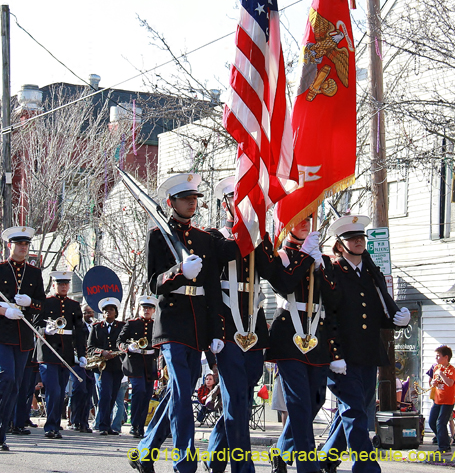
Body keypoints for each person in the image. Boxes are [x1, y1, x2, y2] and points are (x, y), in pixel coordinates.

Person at [129, 172, 222, 473]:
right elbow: (154, 283)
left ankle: (146, 450)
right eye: (185, 199)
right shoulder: (158, 236)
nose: (192, 203)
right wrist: (179, 271)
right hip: (171, 322)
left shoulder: (205, 239)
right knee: (182, 392)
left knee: (178, 393)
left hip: (197, 325)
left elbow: (212, 292)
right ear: (171, 203)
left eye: (195, 198)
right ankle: (185, 461)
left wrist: (215, 332)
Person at [318, 215, 410, 473]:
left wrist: (396, 319)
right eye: (351, 238)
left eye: (361, 237)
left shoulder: (371, 273)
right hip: (341, 355)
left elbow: (377, 312)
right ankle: (366, 466)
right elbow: (329, 314)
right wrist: (334, 354)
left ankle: (326, 457)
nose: (358, 241)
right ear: (339, 245)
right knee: (355, 411)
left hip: (368, 353)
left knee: (353, 409)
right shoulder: (332, 271)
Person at [206, 175, 282, 473]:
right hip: (226, 326)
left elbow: (276, 276)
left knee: (242, 395)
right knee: (236, 396)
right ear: (227, 205)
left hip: (253, 327)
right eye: (239, 203)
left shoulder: (258, 238)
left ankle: (215, 455)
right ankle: (242, 465)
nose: (245, 209)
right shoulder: (213, 236)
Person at [258, 216, 334, 473]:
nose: (305, 223)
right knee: (299, 402)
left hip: (317, 335)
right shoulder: (282, 255)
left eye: (309, 219)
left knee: (316, 399)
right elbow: (284, 283)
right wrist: (304, 256)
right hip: (289, 333)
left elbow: (333, 296)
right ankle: (307, 465)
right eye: (299, 219)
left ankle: (281, 450)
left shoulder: (318, 255)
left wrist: (322, 263)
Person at [0, 226, 46, 451]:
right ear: (10, 246)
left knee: (15, 385)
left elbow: (42, 305)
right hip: (0, 332)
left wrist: (30, 303)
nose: (23, 248)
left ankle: (1, 432)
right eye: (19, 244)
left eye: (26, 245)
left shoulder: (35, 274)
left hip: (23, 336)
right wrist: (3, 310)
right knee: (5, 377)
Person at [37, 271, 86, 439]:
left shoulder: (74, 305)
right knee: (54, 390)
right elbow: (34, 325)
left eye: (66, 284)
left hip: (65, 355)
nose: (63, 287)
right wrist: (45, 330)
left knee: (61, 391)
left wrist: (81, 354)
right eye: (60, 284)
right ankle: (50, 425)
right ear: (54, 285)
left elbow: (79, 332)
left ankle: (55, 424)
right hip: (48, 353)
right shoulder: (45, 302)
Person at [117, 294, 159, 438]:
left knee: (147, 395)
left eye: (149, 308)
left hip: (150, 363)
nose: (146, 310)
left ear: (153, 310)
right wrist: (129, 347)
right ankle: (134, 425)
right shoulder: (131, 324)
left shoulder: (156, 325)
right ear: (139, 309)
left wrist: (156, 350)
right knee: (139, 390)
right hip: (135, 363)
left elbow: (161, 342)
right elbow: (119, 342)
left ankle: (140, 426)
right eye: (144, 308)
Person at [88, 296, 125, 435]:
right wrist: (102, 352)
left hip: (116, 366)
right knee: (104, 395)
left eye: (111, 310)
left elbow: (123, 343)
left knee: (113, 395)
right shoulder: (97, 327)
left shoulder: (121, 326)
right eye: (105, 311)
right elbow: (90, 347)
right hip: (102, 367)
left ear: (115, 312)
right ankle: (103, 425)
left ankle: (108, 425)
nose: (108, 313)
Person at [70, 303, 96, 433]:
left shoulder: (95, 327)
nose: (89, 315)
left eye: (90, 312)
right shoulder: (77, 326)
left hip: (91, 364)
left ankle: (84, 422)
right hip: (77, 362)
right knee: (79, 390)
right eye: (86, 312)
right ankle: (75, 420)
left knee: (88, 392)